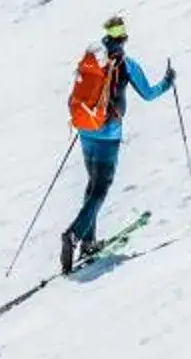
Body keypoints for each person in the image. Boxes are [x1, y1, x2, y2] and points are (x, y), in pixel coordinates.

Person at [62, 16, 174, 274]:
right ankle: (74, 234)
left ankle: (88, 242)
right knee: (101, 187)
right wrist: (168, 81)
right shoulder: (125, 64)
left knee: (92, 184)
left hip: (86, 130)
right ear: (123, 38)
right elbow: (148, 93)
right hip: (108, 134)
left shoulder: (94, 60)